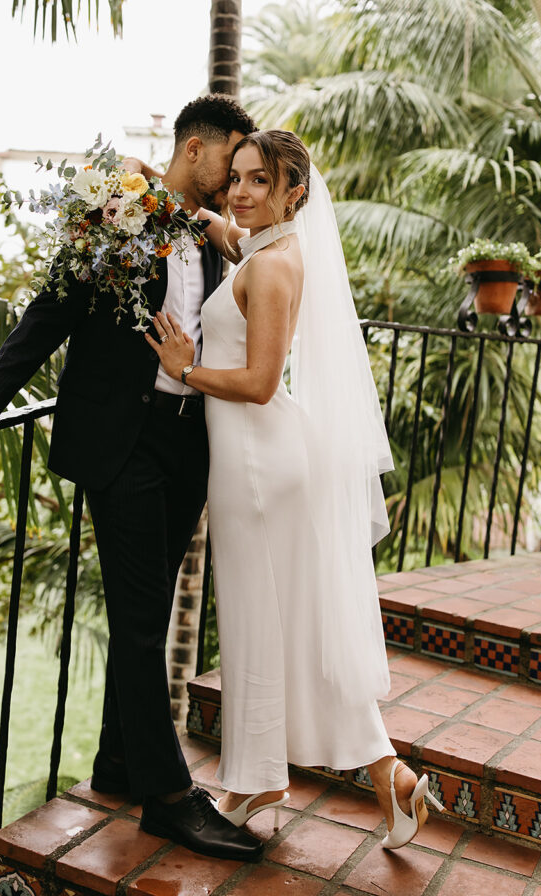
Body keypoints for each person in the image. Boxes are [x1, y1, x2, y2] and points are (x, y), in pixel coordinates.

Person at [0, 95, 266, 863]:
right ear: (195, 149)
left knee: (147, 609)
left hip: (190, 444)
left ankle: (119, 761)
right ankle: (169, 797)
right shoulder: (118, 216)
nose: (234, 179)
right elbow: (48, 310)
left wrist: (216, 228)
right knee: (143, 621)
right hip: (125, 444)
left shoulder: (210, 237)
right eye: (229, 160)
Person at [146, 129, 444, 851]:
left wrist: (185, 369)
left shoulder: (273, 266)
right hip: (252, 463)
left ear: (294, 194)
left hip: (260, 467)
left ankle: (270, 779)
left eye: (259, 181)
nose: (240, 192)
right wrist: (159, 195)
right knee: (281, 623)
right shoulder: (259, 249)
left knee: (261, 620)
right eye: (237, 178)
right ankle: (358, 779)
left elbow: (255, 383)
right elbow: (224, 234)